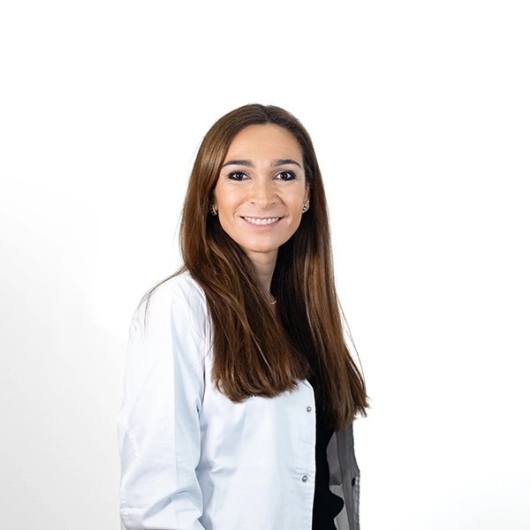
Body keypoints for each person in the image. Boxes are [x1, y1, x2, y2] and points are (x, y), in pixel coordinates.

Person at [117, 104, 369, 530]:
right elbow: (156, 503)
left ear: (308, 194)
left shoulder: (305, 311)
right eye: (238, 175)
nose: (264, 196)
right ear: (210, 195)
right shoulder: (180, 308)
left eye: (285, 175)